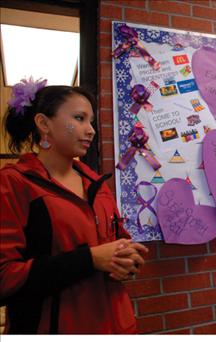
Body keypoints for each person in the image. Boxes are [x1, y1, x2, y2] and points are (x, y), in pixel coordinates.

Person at [0, 78, 148, 334]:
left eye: (90, 121)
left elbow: (118, 239)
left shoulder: (96, 182)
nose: (90, 130)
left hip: (115, 325)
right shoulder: (15, 183)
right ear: (43, 124)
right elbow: (5, 277)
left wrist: (127, 261)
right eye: (79, 118)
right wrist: (89, 260)